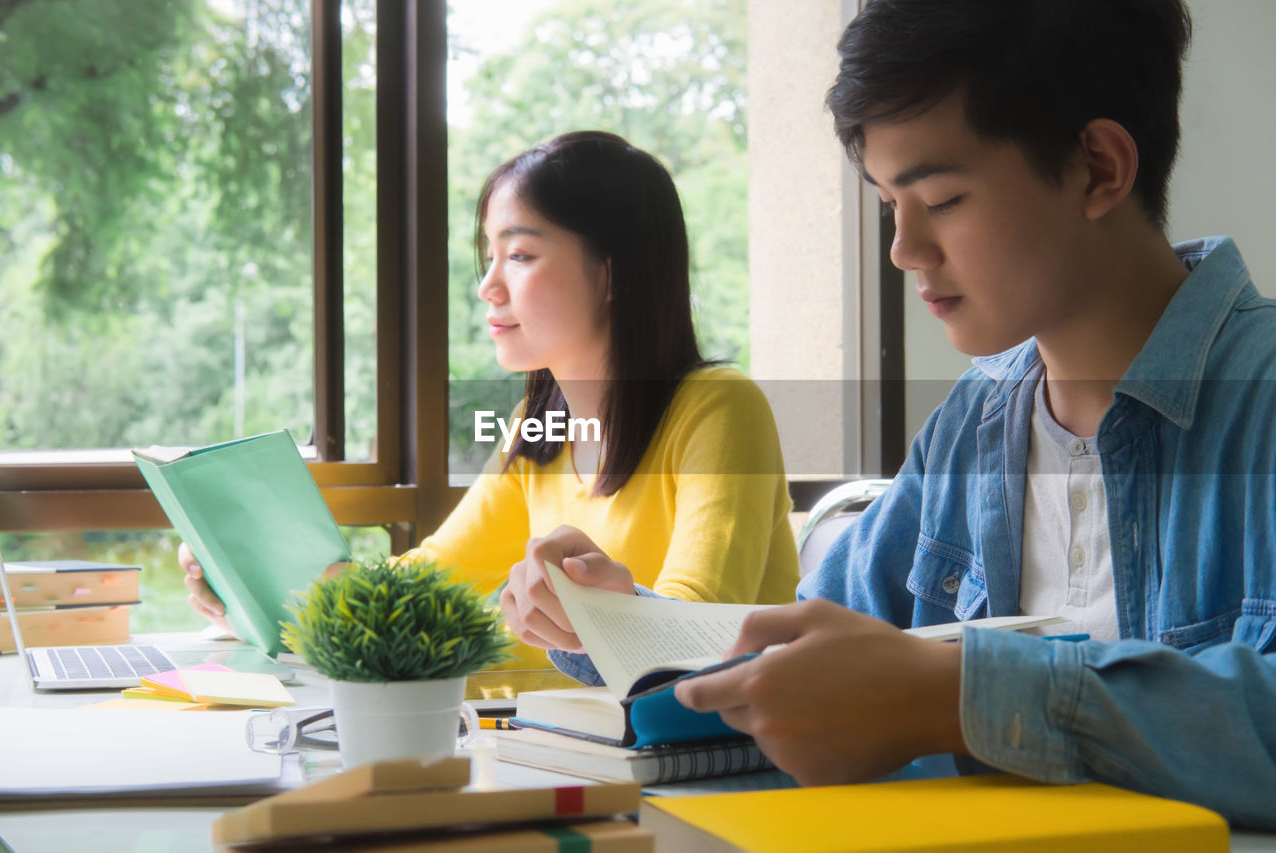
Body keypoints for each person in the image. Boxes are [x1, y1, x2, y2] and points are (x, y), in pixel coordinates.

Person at [518, 0, 1276, 829]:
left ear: (1099, 167)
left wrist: (961, 700)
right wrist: (625, 621)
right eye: (887, 205)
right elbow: (801, 653)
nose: (904, 250)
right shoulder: (974, 425)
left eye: (942, 199)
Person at [182, 131, 800, 672]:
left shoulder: (719, 409)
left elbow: (704, 630)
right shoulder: (539, 427)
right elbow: (429, 579)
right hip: (566, 746)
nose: (487, 286)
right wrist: (262, 592)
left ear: (613, 274)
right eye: (490, 255)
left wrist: (620, 613)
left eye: (521, 255)